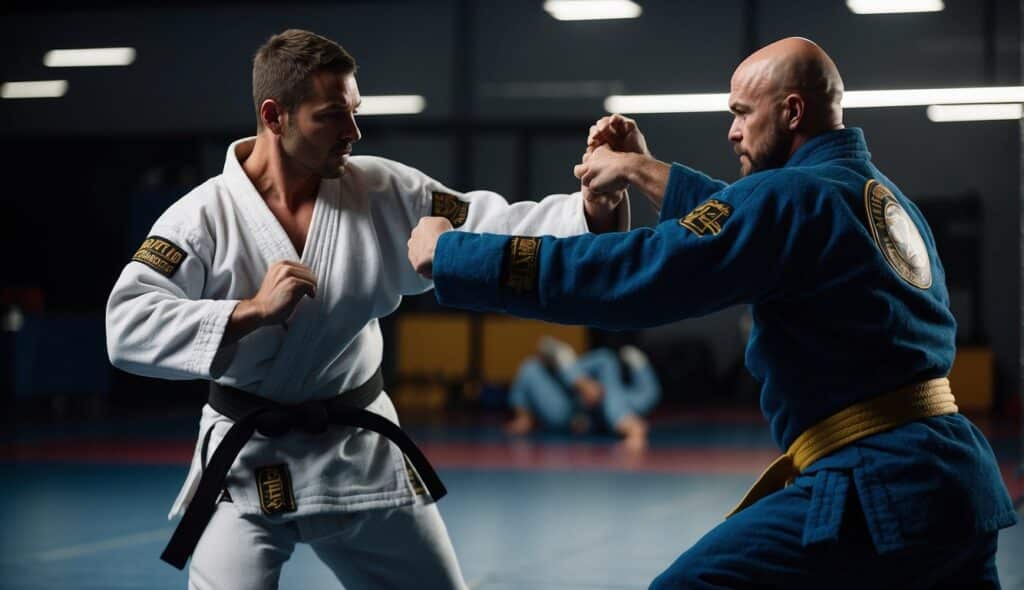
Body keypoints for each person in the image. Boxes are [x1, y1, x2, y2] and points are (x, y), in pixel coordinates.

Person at [408, 37, 1018, 587]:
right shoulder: (876, 197)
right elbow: (748, 219)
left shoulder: (796, 198)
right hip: (952, 477)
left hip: (876, 486)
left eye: (740, 113)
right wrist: (638, 168)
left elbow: (637, 273)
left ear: (793, 112)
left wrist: (455, 254)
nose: (731, 131)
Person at [105, 29, 627, 590]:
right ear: (274, 115)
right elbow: (126, 325)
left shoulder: (381, 189)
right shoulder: (200, 218)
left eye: (356, 112)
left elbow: (490, 223)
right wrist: (248, 311)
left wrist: (591, 210)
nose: (353, 132)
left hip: (359, 454)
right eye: (332, 116)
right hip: (249, 464)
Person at [506, 337, 660, 450]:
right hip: (570, 407)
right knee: (531, 367)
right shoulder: (544, 374)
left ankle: (639, 368)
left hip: (603, 406)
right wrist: (581, 383)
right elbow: (542, 350)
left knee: (643, 395)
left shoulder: (607, 386)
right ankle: (627, 419)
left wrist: (587, 385)